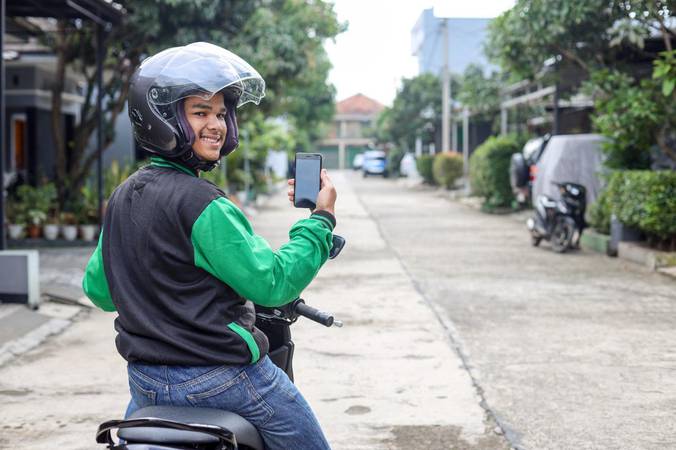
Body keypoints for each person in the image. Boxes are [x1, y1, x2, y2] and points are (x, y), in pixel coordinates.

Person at [82, 42, 335, 450]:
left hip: (145, 383)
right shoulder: (205, 204)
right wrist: (320, 222)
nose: (216, 124)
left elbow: (100, 291)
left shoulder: (123, 196)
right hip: (222, 379)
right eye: (200, 112)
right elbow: (271, 284)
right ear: (162, 118)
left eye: (221, 113)